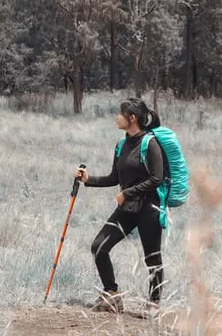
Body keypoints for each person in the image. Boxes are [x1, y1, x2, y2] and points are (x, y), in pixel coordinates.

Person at [74, 97, 165, 315]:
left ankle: (154, 303)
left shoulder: (150, 144)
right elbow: (115, 177)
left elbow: (157, 178)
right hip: (127, 209)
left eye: (120, 113)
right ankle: (112, 294)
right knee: (99, 246)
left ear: (132, 118)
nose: (116, 117)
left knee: (152, 258)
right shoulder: (122, 144)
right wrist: (89, 180)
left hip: (149, 208)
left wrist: (128, 193)